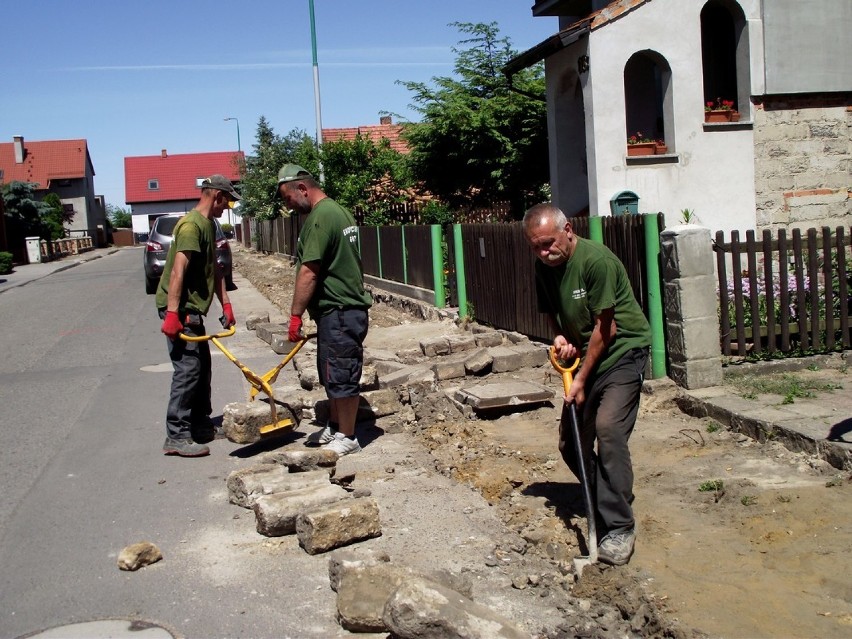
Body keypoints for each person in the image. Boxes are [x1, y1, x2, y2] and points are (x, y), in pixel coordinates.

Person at [522, 203, 651, 566]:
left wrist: (579, 380)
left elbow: (605, 328)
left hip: (622, 351)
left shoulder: (597, 261)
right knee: (571, 443)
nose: (544, 253)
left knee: (608, 429)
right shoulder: (542, 267)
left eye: (548, 243)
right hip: (587, 356)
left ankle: (620, 526)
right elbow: (554, 316)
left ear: (569, 230)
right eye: (536, 247)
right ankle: (606, 494)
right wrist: (561, 339)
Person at [274, 164, 372, 457]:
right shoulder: (338, 211)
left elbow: (309, 271)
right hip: (339, 312)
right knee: (331, 371)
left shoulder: (320, 217)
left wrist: (295, 314)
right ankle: (335, 424)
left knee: (341, 373)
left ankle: (349, 435)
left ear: (302, 188)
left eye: (288, 198)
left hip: (340, 311)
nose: (288, 206)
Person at [156, 174, 239, 457]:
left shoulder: (208, 224)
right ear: (216, 196)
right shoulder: (191, 226)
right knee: (188, 369)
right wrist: (171, 313)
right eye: (226, 201)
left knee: (202, 366)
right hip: (180, 308)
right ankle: (176, 435)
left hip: (191, 308)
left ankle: (201, 424)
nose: (226, 207)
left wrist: (225, 304)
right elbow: (179, 270)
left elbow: (214, 269)